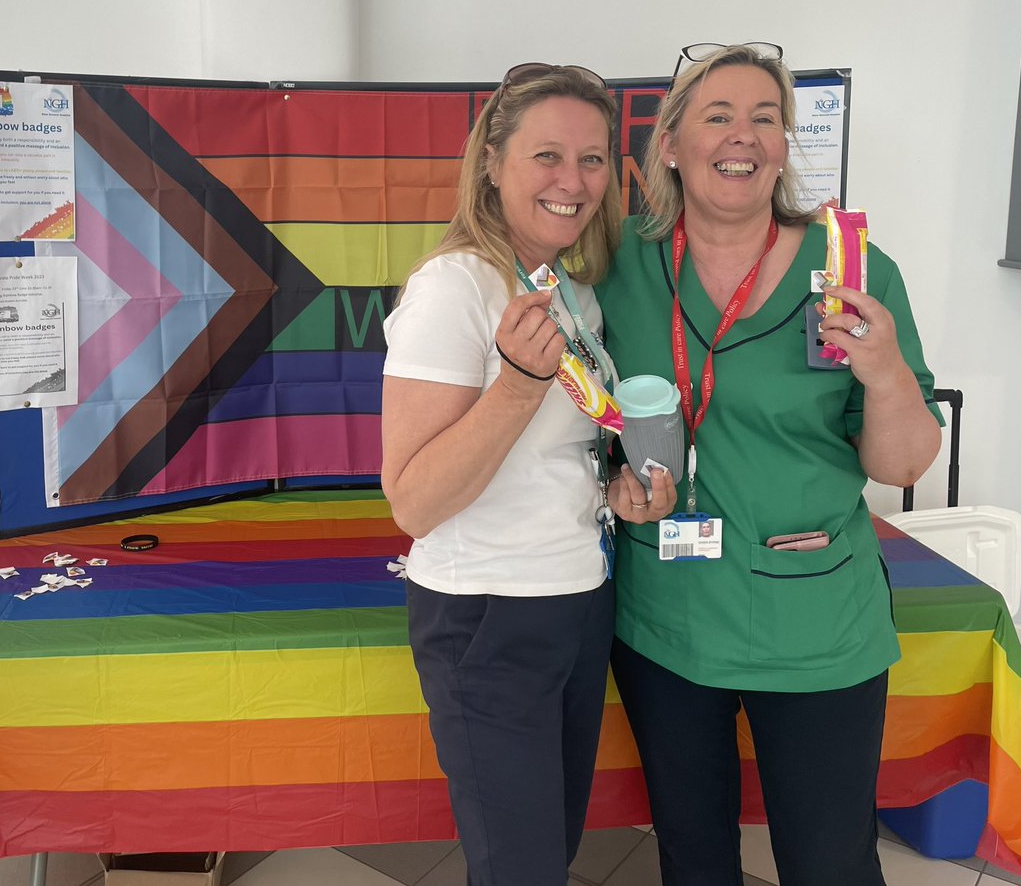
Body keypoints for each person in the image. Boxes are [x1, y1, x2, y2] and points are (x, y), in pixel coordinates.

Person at [598, 43, 943, 886]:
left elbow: (904, 460)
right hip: (669, 616)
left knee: (830, 862)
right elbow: (586, 421)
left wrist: (886, 370)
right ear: (671, 143)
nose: (742, 135)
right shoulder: (619, 270)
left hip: (816, 619)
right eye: (717, 115)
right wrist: (612, 480)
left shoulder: (852, 273)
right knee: (693, 854)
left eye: (765, 118)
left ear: (785, 146)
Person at [381, 62, 677, 886]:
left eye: (591, 159)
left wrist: (615, 492)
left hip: (578, 600)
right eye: (547, 156)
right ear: (491, 162)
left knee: (552, 849)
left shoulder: (573, 291)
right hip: (487, 614)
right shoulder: (455, 287)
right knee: (521, 869)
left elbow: (555, 457)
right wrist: (516, 381)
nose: (572, 180)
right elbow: (414, 499)